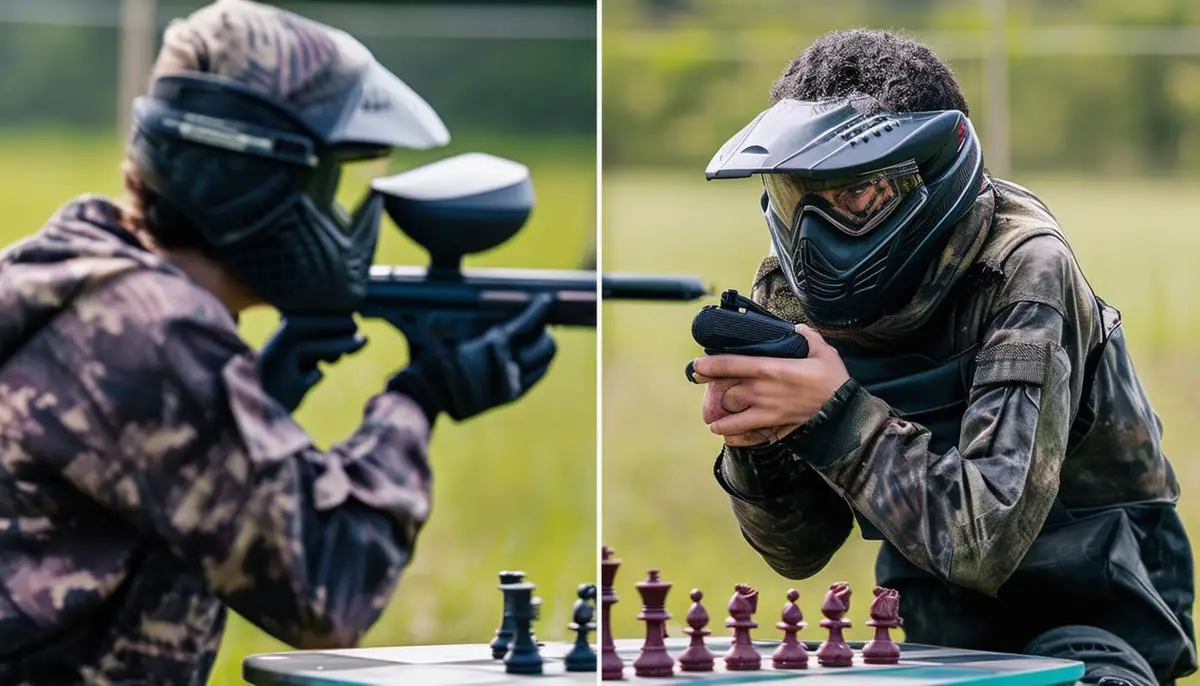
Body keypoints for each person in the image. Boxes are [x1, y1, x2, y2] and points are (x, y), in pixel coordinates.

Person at [0, 1, 558, 683]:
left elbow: (156, 496)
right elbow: (328, 588)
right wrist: (419, 399)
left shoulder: (75, 279)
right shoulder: (149, 331)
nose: (338, 215)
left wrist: (265, 389)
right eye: (326, 181)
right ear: (253, 178)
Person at [689, 28, 1196, 686]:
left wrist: (833, 411)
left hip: (1096, 628)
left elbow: (984, 543)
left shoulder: (1022, 270)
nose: (813, 234)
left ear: (930, 172)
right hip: (940, 640)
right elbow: (799, 551)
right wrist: (758, 445)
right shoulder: (790, 293)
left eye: (854, 196)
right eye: (796, 197)